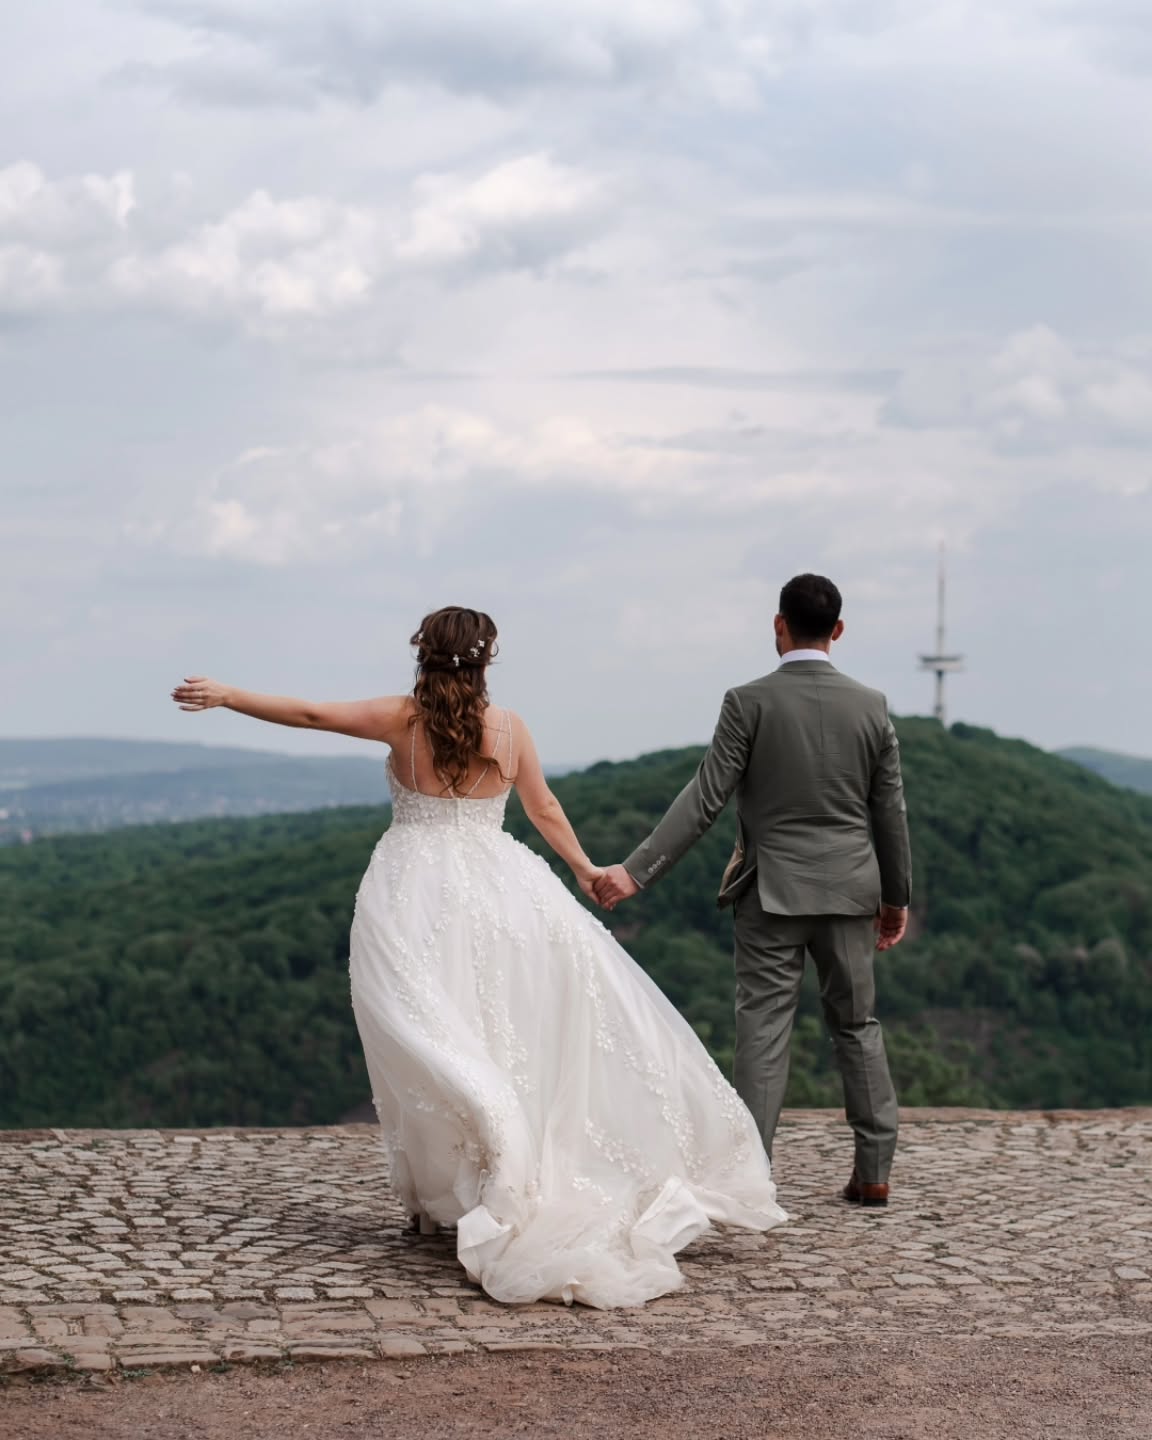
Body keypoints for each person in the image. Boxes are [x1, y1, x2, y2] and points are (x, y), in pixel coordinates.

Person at [171, 605, 785, 1310]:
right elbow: (545, 808)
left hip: (414, 893)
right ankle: (490, 1166)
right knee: (510, 1031)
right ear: (486, 660)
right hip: (505, 889)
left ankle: (465, 1180)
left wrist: (229, 696)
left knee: (435, 1032)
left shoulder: (403, 719)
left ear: (424, 654)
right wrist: (585, 872)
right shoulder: (509, 728)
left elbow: (312, 715)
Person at [594, 575, 912, 1207]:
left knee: (764, 1030)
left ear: (778, 625)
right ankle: (873, 1171)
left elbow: (705, 797)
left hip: (769, 894)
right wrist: (896, 898)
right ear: (839, 631)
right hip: (852, 892)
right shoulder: (871, 705)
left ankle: (755, 1178)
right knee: (857, 1025)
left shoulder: (748, 701)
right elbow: (890, 813)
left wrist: (636, 870)